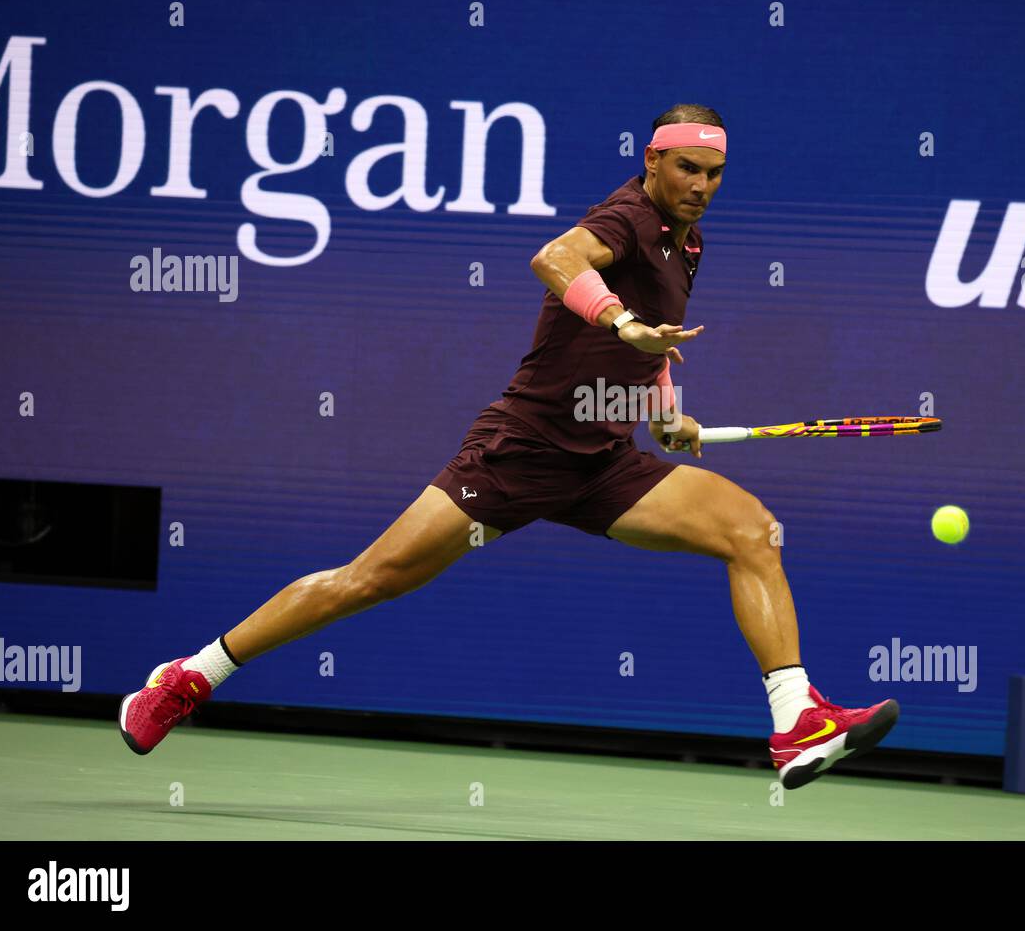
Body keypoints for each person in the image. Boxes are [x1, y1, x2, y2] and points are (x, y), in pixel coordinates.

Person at [119, 104, 898, 789]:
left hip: (603, 462)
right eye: (688, 167)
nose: (701, 184)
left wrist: (665, 411)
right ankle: (191, 676)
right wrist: (620, 322)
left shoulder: (688, 244)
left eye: (716, 173)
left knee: (750, 529)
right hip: (519, 451)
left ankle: (797, 723)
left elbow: (653, 349)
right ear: (653, 159)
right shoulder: (623, 218)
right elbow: (554, 261)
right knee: (368, 581)